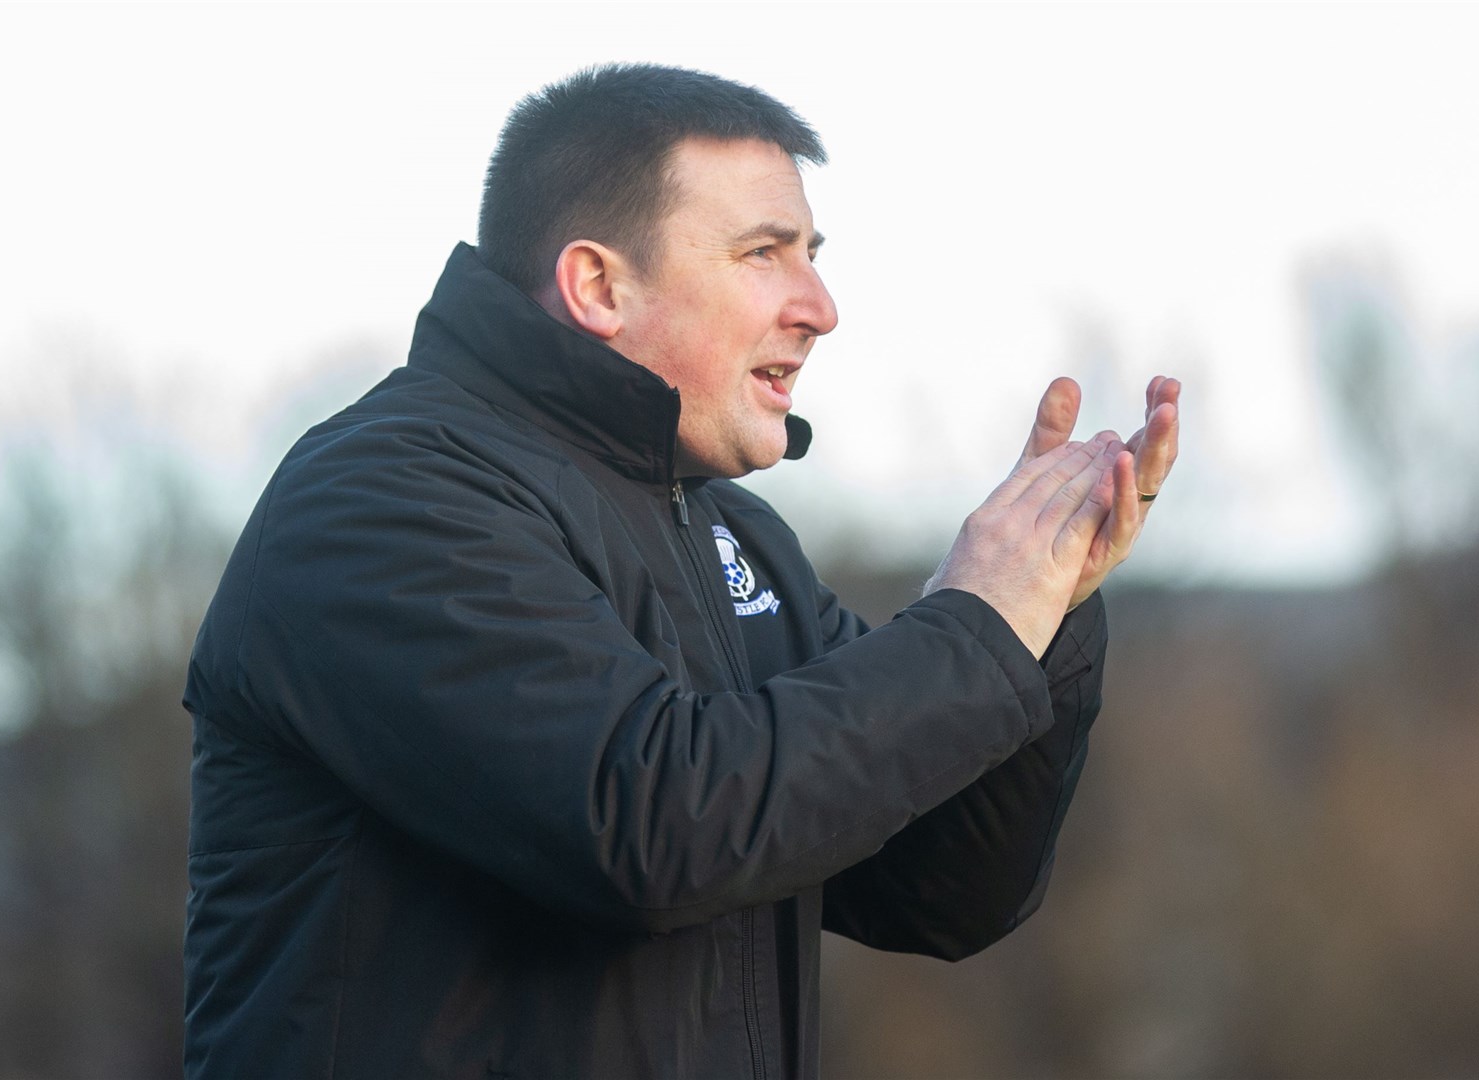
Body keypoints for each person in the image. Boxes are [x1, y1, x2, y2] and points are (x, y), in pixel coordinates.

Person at [182, 63, 1179, 1079]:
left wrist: (1039, 610)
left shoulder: (738, 541)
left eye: (814, 255)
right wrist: (974, 620)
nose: (821, 306)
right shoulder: (380, 499)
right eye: (764, 254)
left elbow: (933, 889)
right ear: (599, 285)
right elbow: (650, 823)